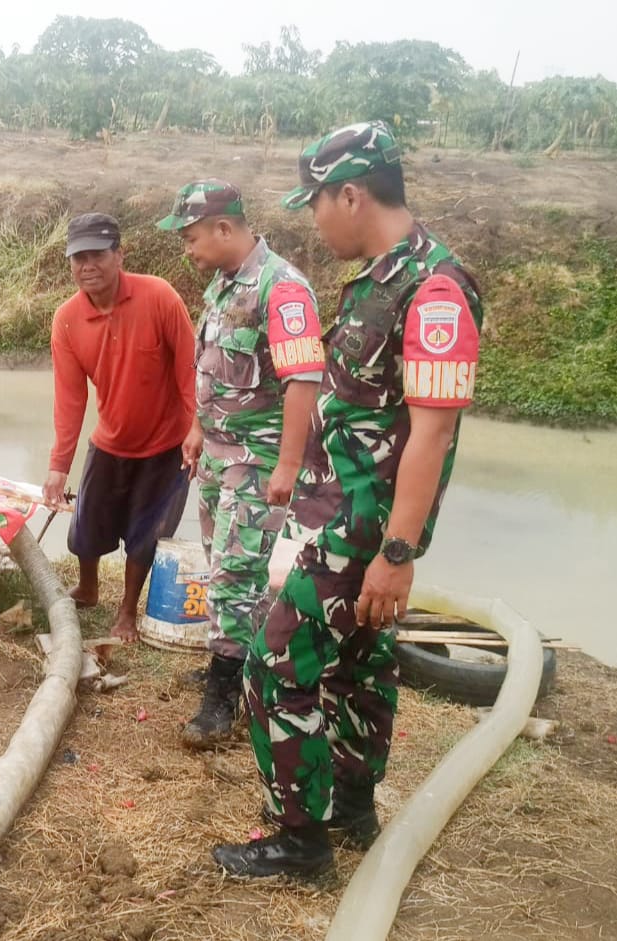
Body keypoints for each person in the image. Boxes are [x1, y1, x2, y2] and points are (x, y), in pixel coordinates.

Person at [212, 121, 484, 878]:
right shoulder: (381, 277)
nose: (313, 220)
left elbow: (430, 436)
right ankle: (352, 809)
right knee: (356, 664)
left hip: (361, 526)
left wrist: (395, 556)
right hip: (338, 514)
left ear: (351, 193)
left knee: (272, 662)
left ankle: (299, 839)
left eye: (316, 204)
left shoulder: (432, 292)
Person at [156, 181, 325, 750]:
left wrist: (288, 465)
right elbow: (212, 365)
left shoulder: (284, 289)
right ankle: (233, 664)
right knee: (224, 570)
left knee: (234, 579)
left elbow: (303, 381)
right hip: (218, 457)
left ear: (225, 229)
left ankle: (224, 700)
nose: (187, 248)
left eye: (192, 236)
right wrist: (197, 429)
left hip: (258, 462)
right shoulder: (223, 285)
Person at [43, 213, 197, 642]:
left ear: (119, 255)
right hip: (111, 438)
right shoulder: (67, 320)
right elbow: (70, 398)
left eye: (97, 254)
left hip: (167, 443)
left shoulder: (160, 297)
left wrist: (196, 430)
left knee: (147, 534)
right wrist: (59, 464)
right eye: (78, 257)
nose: (87, 266)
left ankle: (127, 611)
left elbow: (190, 369)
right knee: (87, 524)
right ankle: (89, 588)